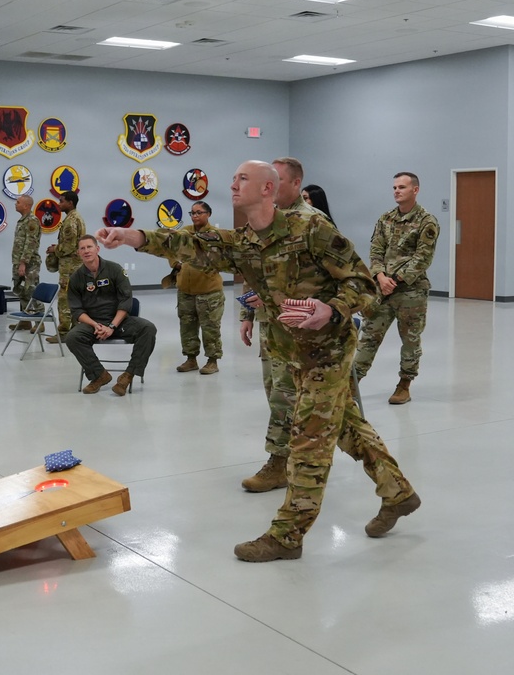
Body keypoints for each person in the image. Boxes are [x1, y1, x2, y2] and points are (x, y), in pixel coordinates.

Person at [96, 160, 420, 562]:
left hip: (329, 352)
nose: (232, 184)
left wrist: (331, 308)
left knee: (307, 440)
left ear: (268, 188)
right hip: (291, 353)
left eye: (242, 179)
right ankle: (399, 494)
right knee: (347, 428)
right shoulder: (245, 241)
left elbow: (363, 284)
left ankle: (288, 535)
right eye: (232, 179)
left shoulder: (311, 230)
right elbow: (191, 245)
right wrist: (131, 236)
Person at [239, 157, 329, 492]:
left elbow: (330, 282)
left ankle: (281, 463)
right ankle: (294, 458)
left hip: (301, 332)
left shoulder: (314, 224)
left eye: (277, 179)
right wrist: (247, 316)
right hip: (270, 328)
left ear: (294, 183)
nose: (270, 185)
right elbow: (252, 272)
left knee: (287, 397)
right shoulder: (264, 222)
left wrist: (280, 297)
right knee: (275, 393)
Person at [354, 172, 439, 404]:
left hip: (411, 292)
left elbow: (423, 257)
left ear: (415, 190)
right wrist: (380, 277)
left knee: (410, 340)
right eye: (394, 187)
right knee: (369, 336)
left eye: (402, 187)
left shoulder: (426, 221)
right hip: (383, 289)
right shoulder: (385, 219)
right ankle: (352, 383)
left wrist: (397, 279)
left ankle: (404, 384)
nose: (396, 191)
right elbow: (376, 251)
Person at [65, 235, 157, 396]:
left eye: (89, 247)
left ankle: (127, 376)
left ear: (97, 249)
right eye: (82, 248)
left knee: (148, 329)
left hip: (119, 321)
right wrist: (95, 325)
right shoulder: (76, 278)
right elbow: (77, 311)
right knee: (72, 337)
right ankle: (99, 375)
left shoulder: (114, 270)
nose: (86, 251)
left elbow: (126, 301)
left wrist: (112, 326)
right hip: (93, 324)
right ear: (78, 253)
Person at [172, 201, 224, 375]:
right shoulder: (185, 232)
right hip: (185, 291)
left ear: (208, 214)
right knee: (187, 326)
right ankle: (191, 359)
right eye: (192, 213)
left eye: (199, 212)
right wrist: (176, 264)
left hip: (208, 291)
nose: (195, 216)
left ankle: (212, 360)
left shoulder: (214, 235)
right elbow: (171, 248)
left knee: (210, 327)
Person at [45, 191, 86, 342]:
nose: (59, 204)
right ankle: (76, 332)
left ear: (70, 202)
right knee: (76, 299)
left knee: (65, 299)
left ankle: (63, 333)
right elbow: (74, 243)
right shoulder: (77, 218)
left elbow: (68, 247)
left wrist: (54, 250)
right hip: (76, 266)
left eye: (61, 201)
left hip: (69, 267)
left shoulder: (70, 221)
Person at [10, 194, 41, 330]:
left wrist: (23, 262)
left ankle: (40, 322)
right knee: (21, 290)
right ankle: (25, 320)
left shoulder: (32, 221)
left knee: (32, 290)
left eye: (18, 202)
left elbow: (30, 243)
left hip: (29, 263)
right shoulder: (22, 220)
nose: (15, 204)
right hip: (19, 262)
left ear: (26, 206)